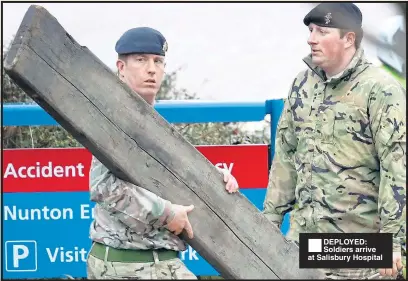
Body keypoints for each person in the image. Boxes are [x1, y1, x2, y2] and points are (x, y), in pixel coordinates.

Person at [263, 3, 406, 280]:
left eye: (322, 31)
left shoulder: (380, 89)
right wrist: (268, 224)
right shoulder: (301, 86)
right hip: (303, 249)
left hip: (361, 253)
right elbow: (285, 160)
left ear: (348, 38)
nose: (311, 38)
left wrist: (393, 241)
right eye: (310, 30)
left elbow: (397, 169)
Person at [86, 27, 240, 280]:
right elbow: (104, 188)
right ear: (121, 68)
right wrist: (166, 214)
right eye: (141, 60)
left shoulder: (148, 120)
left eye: (158, 61)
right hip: (128, 266)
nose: (151, 69)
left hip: (154, 263)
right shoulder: (115, 117)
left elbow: (165, 175)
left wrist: (212, 179)